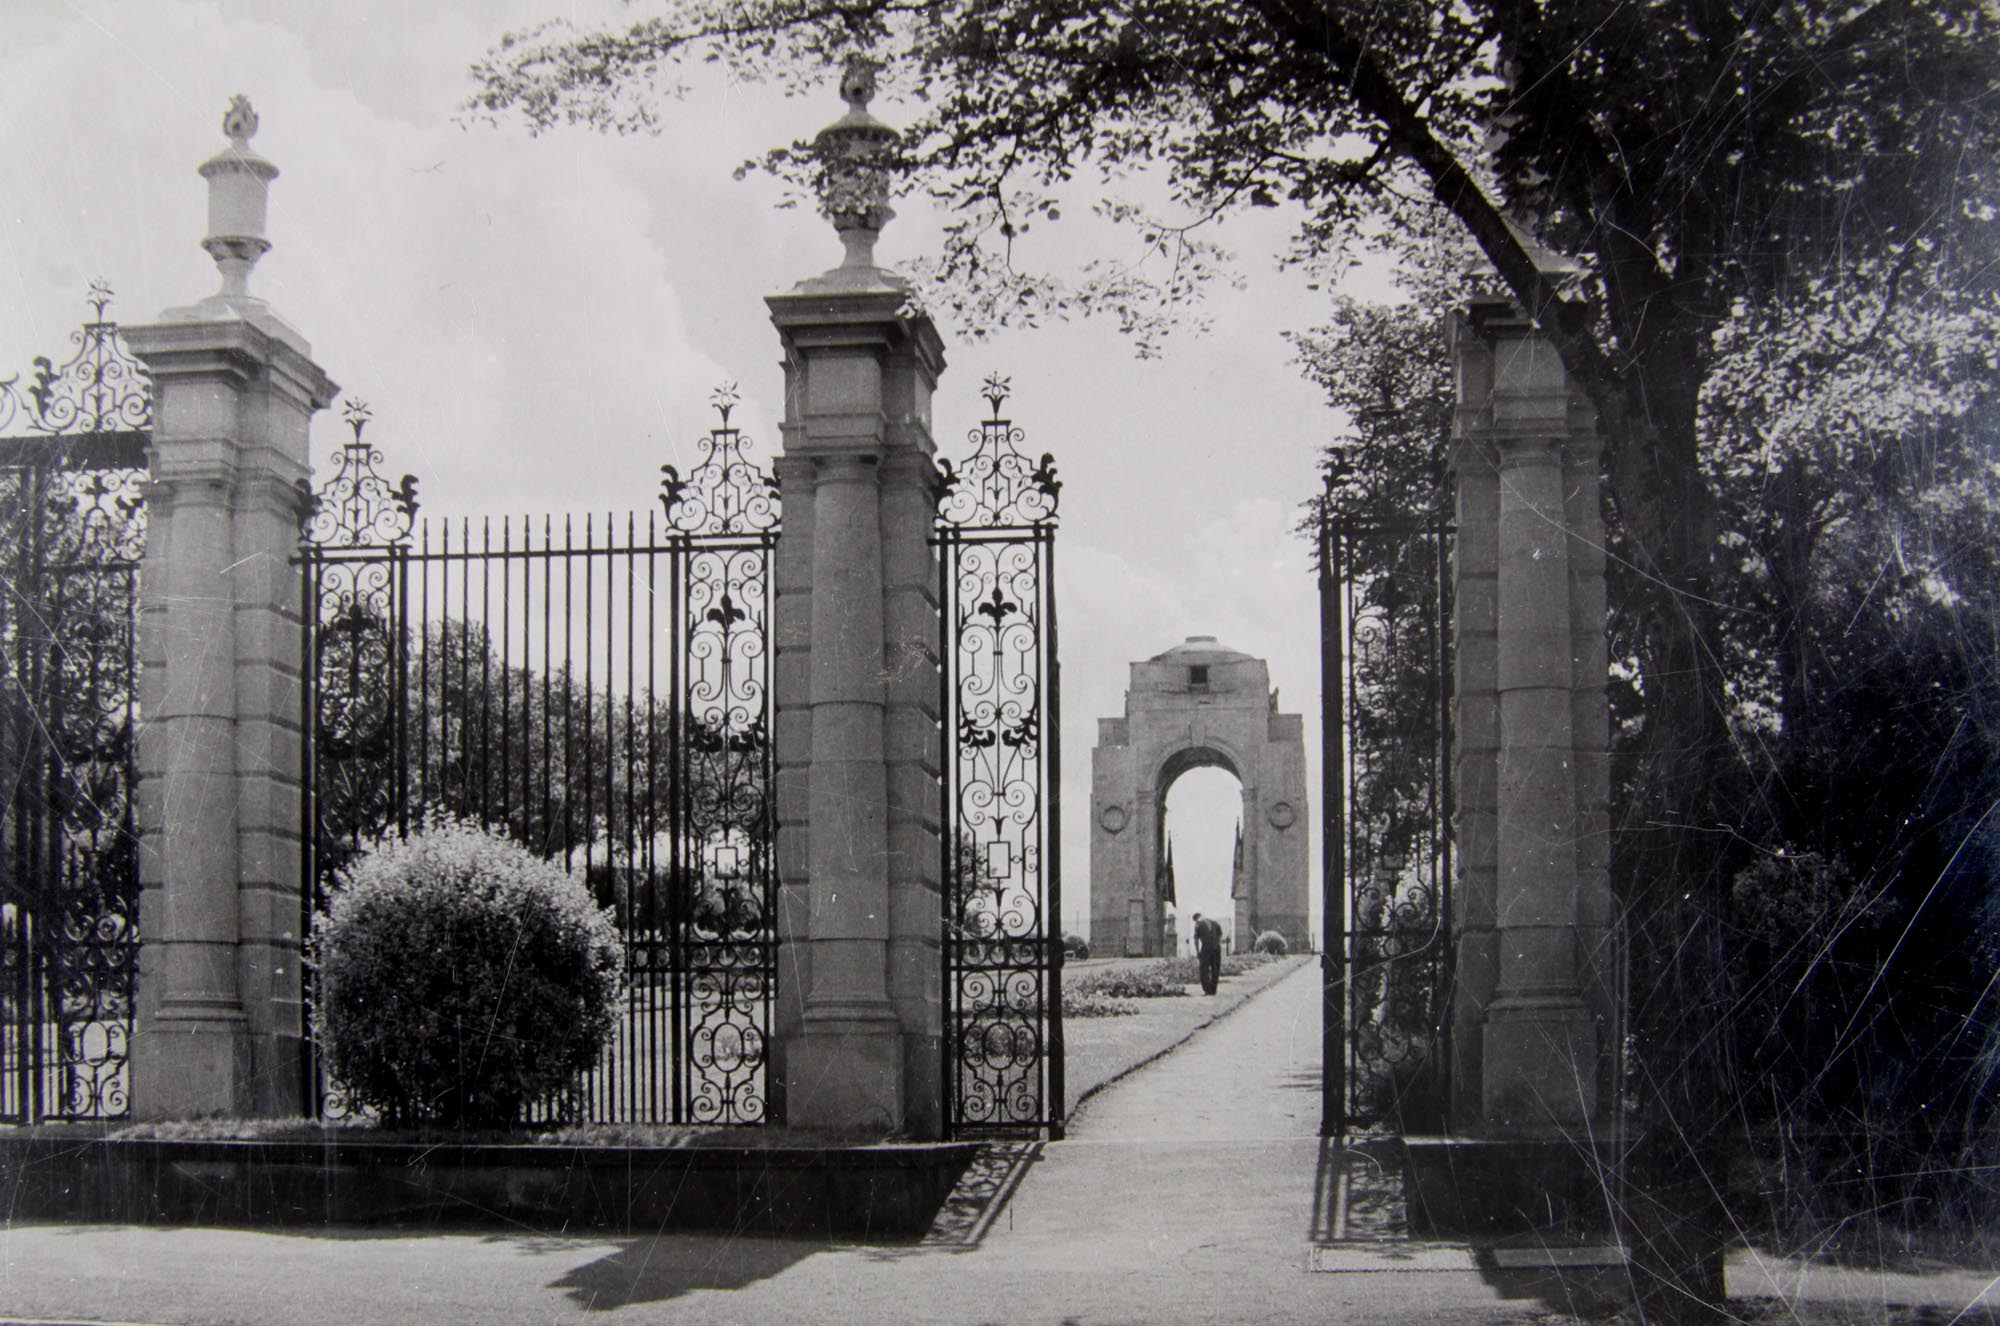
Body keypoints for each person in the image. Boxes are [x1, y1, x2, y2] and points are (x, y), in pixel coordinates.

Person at [1191, 912, 1223, 995]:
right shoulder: (1214, 922)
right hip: (1216, 948)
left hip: (1206, 948)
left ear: (1196, 919)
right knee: (1215, 969)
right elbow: (1220, 934)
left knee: (1203, 968)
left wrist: (1198, 952)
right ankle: (1213, 989)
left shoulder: (1198, 925)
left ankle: (1207, 989)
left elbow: (1196, 940)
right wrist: (1216, 943)